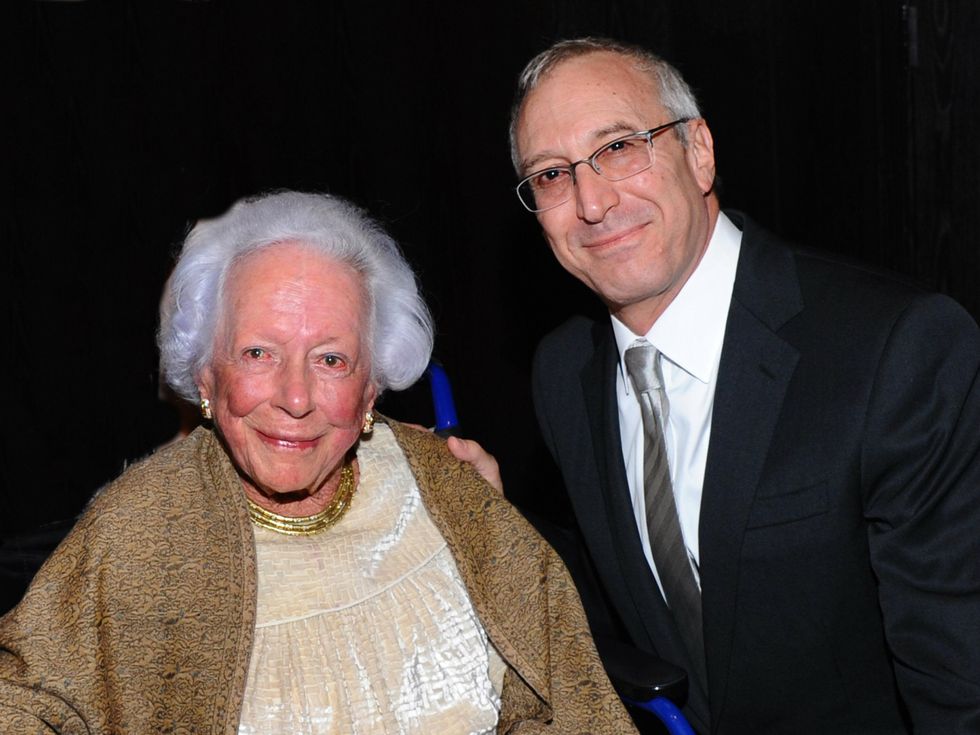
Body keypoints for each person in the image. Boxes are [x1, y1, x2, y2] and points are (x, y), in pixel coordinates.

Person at [0, 191, 636, 734]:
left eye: (331, 359)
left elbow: (568, 695)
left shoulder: (447, 491)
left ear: (370, 389)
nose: (295, 398)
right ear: (205, 376)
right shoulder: (138, 530)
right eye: (257, 353)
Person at [491, 37, 980, 733]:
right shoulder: (564, 371)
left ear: (699, 152)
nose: (591, 202)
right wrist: (486, 516)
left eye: (620, 147)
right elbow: (616, 609)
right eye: (551, 175)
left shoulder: (895, 351)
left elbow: (960, 680)